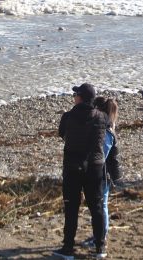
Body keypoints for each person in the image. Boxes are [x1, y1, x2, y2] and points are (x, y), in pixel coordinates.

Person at [53, 83, 109, 260]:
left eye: (76, 94)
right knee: (97, 206)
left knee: (71, 207)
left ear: (80, 97)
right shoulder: (102, 117)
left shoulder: (68, 116)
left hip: (73, 166)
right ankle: (100, 247)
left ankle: (68, 247)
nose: (74, 97)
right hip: (95, 166)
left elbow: (62, 134)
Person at [81, 96, 121, 250]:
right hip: (104, 173)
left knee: (101, 205)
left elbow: (102, 154)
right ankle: (99, 236)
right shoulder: (108, 127)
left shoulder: (106, 130)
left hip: (102, 174)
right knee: (100, 205)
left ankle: (101, 237)